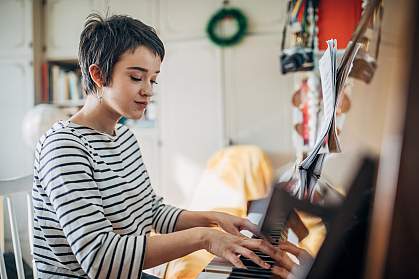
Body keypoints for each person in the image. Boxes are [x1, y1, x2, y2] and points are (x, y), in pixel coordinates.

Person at [32, 13, 310, 278]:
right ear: (98, 75)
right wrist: (205, 238)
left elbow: (151, 212)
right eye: (136, 77)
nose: (149, 90)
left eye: (153, 79)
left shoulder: (125, 139)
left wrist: (213, 219)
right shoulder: (64, 147)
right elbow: (101, 261)